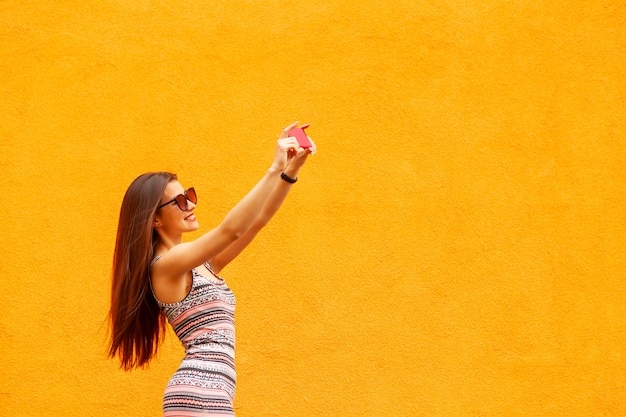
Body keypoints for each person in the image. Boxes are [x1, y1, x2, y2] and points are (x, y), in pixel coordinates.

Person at [108, 122, 315, 416]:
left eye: (189, 195)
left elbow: (258, 221)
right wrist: (272, 168)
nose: (190, 204)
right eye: (179, 201)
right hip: (200, 393)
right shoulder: (165, 266)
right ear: (155, 219)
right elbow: (231, 230)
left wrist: (291, 170)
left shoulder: (202, 265)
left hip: (212, 393)